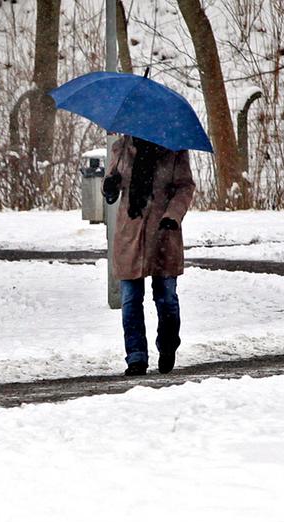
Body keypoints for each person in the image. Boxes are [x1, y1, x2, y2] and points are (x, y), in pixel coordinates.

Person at [102, 134, 195, 376]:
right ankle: (136, 358)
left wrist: (172, 216)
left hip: (164, 232)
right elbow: (112, 189)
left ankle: (167, 346)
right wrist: (110, 186)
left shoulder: (175, 149)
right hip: (129, 234)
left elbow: (185, 187)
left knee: (166, 299)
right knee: (130, 300)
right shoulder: (122, 148)